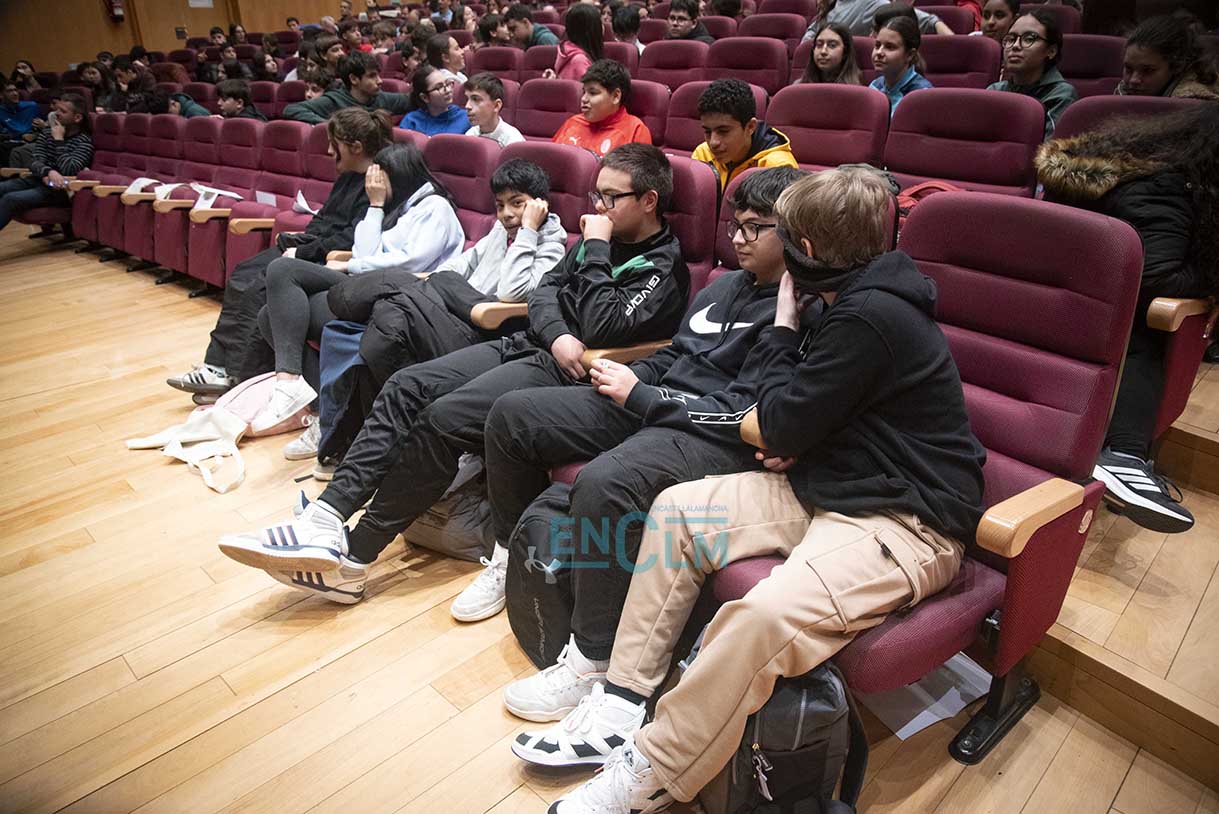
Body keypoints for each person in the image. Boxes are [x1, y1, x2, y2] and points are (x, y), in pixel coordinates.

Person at [532, 165, 986, 814]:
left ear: (809, 247)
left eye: (782, 235)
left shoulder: (869, 314)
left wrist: (780, 335)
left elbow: (769, 419)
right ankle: (623, 700)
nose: (758, 244)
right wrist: (786, 424)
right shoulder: (842, 298)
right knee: (677, 511)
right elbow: (786, 416)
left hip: (906, 519)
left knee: (761, 616)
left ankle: (652, 770)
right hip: (832, 482)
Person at [216, 144, 690, 606]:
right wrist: (559, 333)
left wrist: (598, 249)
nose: (599, 207)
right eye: (596, 195)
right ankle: (327, 514)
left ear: (648, 200)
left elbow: (605, 324)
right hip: (536, 345)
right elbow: (546, 292)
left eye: (611, 197)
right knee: (407, 385)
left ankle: (356, 556)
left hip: (576, 374)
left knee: (443, 416)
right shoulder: (594, 240)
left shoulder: (662, 266)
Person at [469, 167, 802, 632]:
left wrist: (643, 394)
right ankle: (509, 556)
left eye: (754, 228)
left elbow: (742, 407)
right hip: (654, 400)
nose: (738, 239)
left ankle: (592, 650)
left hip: (703, 430)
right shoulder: (725, 285)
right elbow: (677, 351)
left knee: (604, 480)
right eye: (735, 226)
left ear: (791, 232)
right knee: (511, 414)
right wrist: (630, 376)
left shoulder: (796, 311)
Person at [296, 156, 569, 465]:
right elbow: (457, 266)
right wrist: (447, 285)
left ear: (539, 205)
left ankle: (354, 443)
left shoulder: (551, 245)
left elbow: (511, 291)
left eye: (517, 203)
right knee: (381, 323)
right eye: (500, 205)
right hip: (453, 313)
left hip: (485, 334)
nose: (506, 214)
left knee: (389, 311)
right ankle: (377, 443)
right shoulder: (499, 231)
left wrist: (529, 231)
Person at [1038, 104, 1219, 534]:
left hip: (1031, 293)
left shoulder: (1120, 164)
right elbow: (1157, 277)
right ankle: (1124, 455)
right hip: (1078, 311)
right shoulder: (1166, 186)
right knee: (1145, 322)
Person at [167, 107, 385, 397]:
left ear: (355, 147)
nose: (329, 151)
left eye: (335, 144)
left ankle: (238, 375)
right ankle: (216, 364)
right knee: (242, 274)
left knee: (260, 285)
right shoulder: (348, 175)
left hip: (328, 258)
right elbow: (325, 219)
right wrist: (300, 239)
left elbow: (350, 237)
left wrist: (303, 251)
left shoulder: (374, 184)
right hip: (310, 246)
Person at [254, 140, 465, 433]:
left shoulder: (435, 208)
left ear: (399, 175)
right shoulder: (396, 208)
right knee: (269, 316)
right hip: (367, 287)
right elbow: (364, 250)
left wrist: (350, 266)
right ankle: (320, 408)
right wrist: (375, 206)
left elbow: (411, 263)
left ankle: (291, 386)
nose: (372, 186)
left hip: (400, 297)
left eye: (379, 179)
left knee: (283, 271)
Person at [0, 94, 92, 231]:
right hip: (38, 179)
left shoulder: (84, 142)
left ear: (77, 118)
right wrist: (48, 172)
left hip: (61, 190)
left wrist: (59, 140)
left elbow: (69, 170)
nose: (56, 113)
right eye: (57, 109)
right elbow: (35, 161)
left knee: (10, 199)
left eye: (63, 111)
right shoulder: (47, 132)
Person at [691, 78, 797, 191]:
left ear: (750, 127)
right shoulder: (703, 154)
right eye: (707, 132)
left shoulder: (777, 167)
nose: (713, 143)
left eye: (723, 131)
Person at [987, 9, 1077, 140]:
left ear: (1051, 51)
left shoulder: (1061, 95)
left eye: (1029, 39)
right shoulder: (995, 91)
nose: (1015, 46)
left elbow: (1050, 149)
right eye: (1011, 39)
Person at [553, 60, 651, 157]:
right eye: (584, 92)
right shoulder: (572, 123)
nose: (583, 99)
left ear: (616, 96)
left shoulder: (635, 130)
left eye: (593, 93)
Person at [283, 51, 412, 124]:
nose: (379, 81)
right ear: (354, 79)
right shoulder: (334, 100)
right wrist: (331, 125)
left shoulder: (381, 97)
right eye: (372, 76)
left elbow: (411, 100)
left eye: (378, 75)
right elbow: (291, 109)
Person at [1117, 14, 1219, 100]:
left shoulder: (1192, 102)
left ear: (1177, 66)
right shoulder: (1126, 88)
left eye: (1147, 70)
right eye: (1129, 68)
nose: (1133, 80)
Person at [869, 16, 933, 115]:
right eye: (877, 45)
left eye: (889, 47)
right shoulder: (874, 86)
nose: (879, 52)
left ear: (910, 55)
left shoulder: (922, 95)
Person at [803, 0, 951, 40]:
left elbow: (930, 22)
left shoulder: (872, 3)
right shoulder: (831, 6)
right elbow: (811, 33)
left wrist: (954, 43)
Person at [402, 65, 471, 135]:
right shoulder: (412, 121)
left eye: (448, 83)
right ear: (425, 97)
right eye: (439, 87)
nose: (448, 90)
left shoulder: (466, 118)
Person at [464, 72, 525, 146]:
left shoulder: (513, 140)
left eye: (475, 99)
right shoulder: (471, 134)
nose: (467, 106)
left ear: (496, 105)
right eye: (467, 99)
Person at [548, 4, 603, 80]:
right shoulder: (580, 61)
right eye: (599, 23)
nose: (603, 26)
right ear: (591, 29)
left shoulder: (567, 49)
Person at [799, 22, 863, 84]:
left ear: (845, 52)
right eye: (819, 45)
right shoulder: (799, 86)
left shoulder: (856, 89)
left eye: (832, 45)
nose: (823, 51)